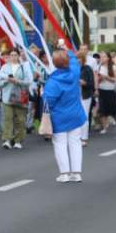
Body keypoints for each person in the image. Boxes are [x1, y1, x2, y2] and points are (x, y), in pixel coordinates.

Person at [43, 50, 89, 183]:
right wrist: (65, 49)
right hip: (75, 114)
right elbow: (73, 58)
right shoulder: (75, 72)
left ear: (54, 63)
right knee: (75, 142)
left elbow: (48, 101)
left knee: (60, 143)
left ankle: (64, 173)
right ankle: (76, 173)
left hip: (59, 116)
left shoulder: (53, 81)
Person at [0, 48, 31, 150]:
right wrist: (7, 80)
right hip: (7, 97)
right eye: (11, 55)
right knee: (8, 118)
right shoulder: (4, 67)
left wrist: (18, 81)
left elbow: (28, 81)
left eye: (15, 55)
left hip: (20, 97)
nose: (13, 57)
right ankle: (7, 140)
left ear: (18, 56)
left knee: (20, 120)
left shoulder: (24, 67)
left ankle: (18, 140)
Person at [95, 51, 116, 132]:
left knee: (113, 109)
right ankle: (105, 127)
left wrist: (106, 77)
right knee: (102, 110)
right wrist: (99, 80)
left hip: (111, 91)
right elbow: (96, 79)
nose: (102, 58)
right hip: (101, 90)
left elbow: (115, 80)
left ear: (108, 58)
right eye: (101, 57)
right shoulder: (98, 67)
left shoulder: (113, 67)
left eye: (104, 56)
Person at [77, 50, 95, 146]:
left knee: (84, 116)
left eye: (79, 58)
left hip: (85, 95)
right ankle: (78, 137)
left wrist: (84, 83)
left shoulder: (87, 69)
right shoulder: (74, 69)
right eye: (76, 58)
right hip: (76, 95)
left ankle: (84, 138)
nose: (77, 60)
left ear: (83, 59)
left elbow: (91, 83)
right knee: (77, 116)